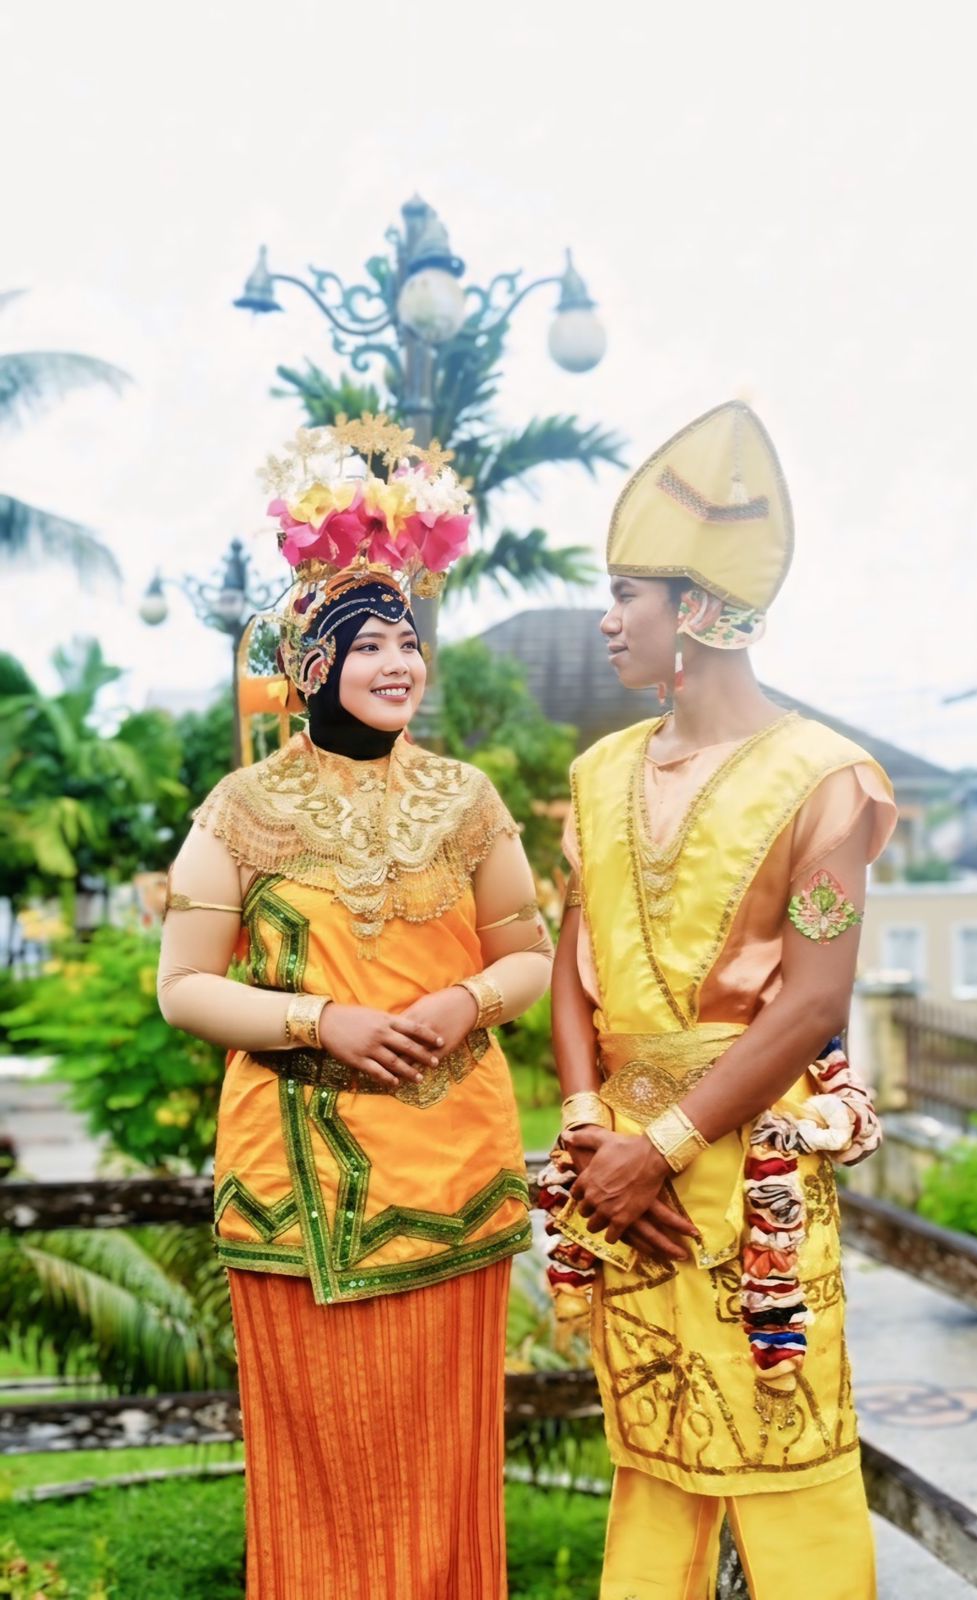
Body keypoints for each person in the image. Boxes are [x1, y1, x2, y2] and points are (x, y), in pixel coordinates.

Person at [158, 415, 552, 1599]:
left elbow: (530, 955)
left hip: (454, 1171)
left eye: (407, 642)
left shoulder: (466, 797)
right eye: (367, 643)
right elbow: (184, 985)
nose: (397, 662)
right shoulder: (243, 804)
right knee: (322, 1467)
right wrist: (319, 1021)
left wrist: (466, 1001)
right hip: (298, 1192)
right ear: (311, 665)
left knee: (443, 1463)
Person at [547, 401, 896, 1599]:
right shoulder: (595, 773)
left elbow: (810, 1005)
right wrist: (592, 1134)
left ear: (694, 609)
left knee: (790, 1456)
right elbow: (572, 969)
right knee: (653, 1460)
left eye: (624, 596)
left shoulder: (826, 779)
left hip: (747, 1174)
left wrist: (660, 1148)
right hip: (615, 1172)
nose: (607, 620)